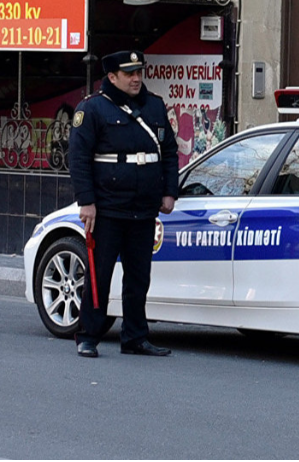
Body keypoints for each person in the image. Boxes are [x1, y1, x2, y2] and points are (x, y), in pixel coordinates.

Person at [69, 50, 179, 358]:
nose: (136, 78)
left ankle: (135, 337)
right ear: (112, 77)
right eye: (129, 74)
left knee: (139, 276)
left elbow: (169, 152)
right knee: (99, 273)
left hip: (144, 207)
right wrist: (86, 202)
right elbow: (78, 159)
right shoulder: (92, 109)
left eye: (138, 72)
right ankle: (89, 335)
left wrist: (170, 191)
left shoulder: (154, 106)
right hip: (107, 207)